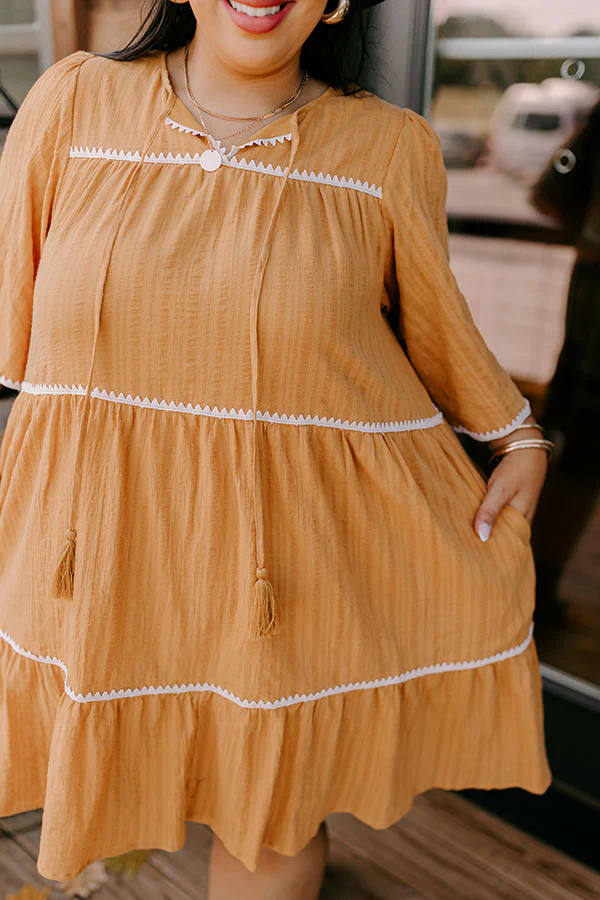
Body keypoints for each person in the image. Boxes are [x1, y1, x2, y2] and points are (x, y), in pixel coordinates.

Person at [0, 0, 553, 896]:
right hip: (100, 531)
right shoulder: (71, 104)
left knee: (270, 816)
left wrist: (515, 433)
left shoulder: (388, 147)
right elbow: (13, 327)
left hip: (279, 549)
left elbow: (435, 326)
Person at [528, 98, 600, 633]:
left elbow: (551, 194)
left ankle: (540, 585)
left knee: (578, 447)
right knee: (580, 448)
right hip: (593, 314)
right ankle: (539, 586)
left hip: (591, 302)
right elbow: (550, 192)